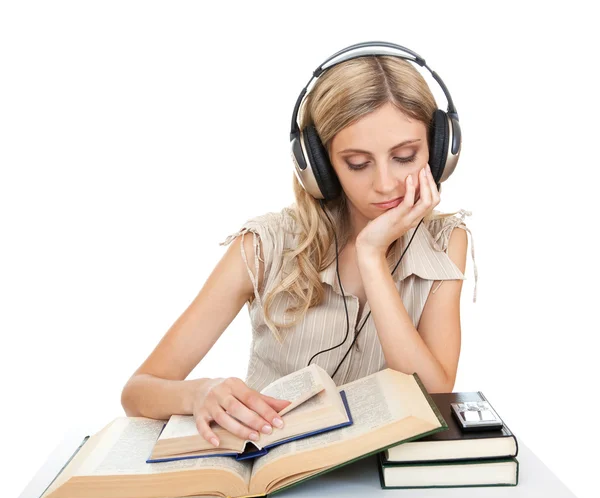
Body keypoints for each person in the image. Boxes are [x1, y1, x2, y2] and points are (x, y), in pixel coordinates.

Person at [121, 42, 478, 451]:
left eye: (404, 156)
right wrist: (199, 392)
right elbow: (138, 392)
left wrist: (371, 256)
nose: (384, 184)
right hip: (274, 480)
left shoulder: (445, 242)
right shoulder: (264, 246)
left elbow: (431, 393)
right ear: (318, 167)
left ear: (437, 154)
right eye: (357, 163)